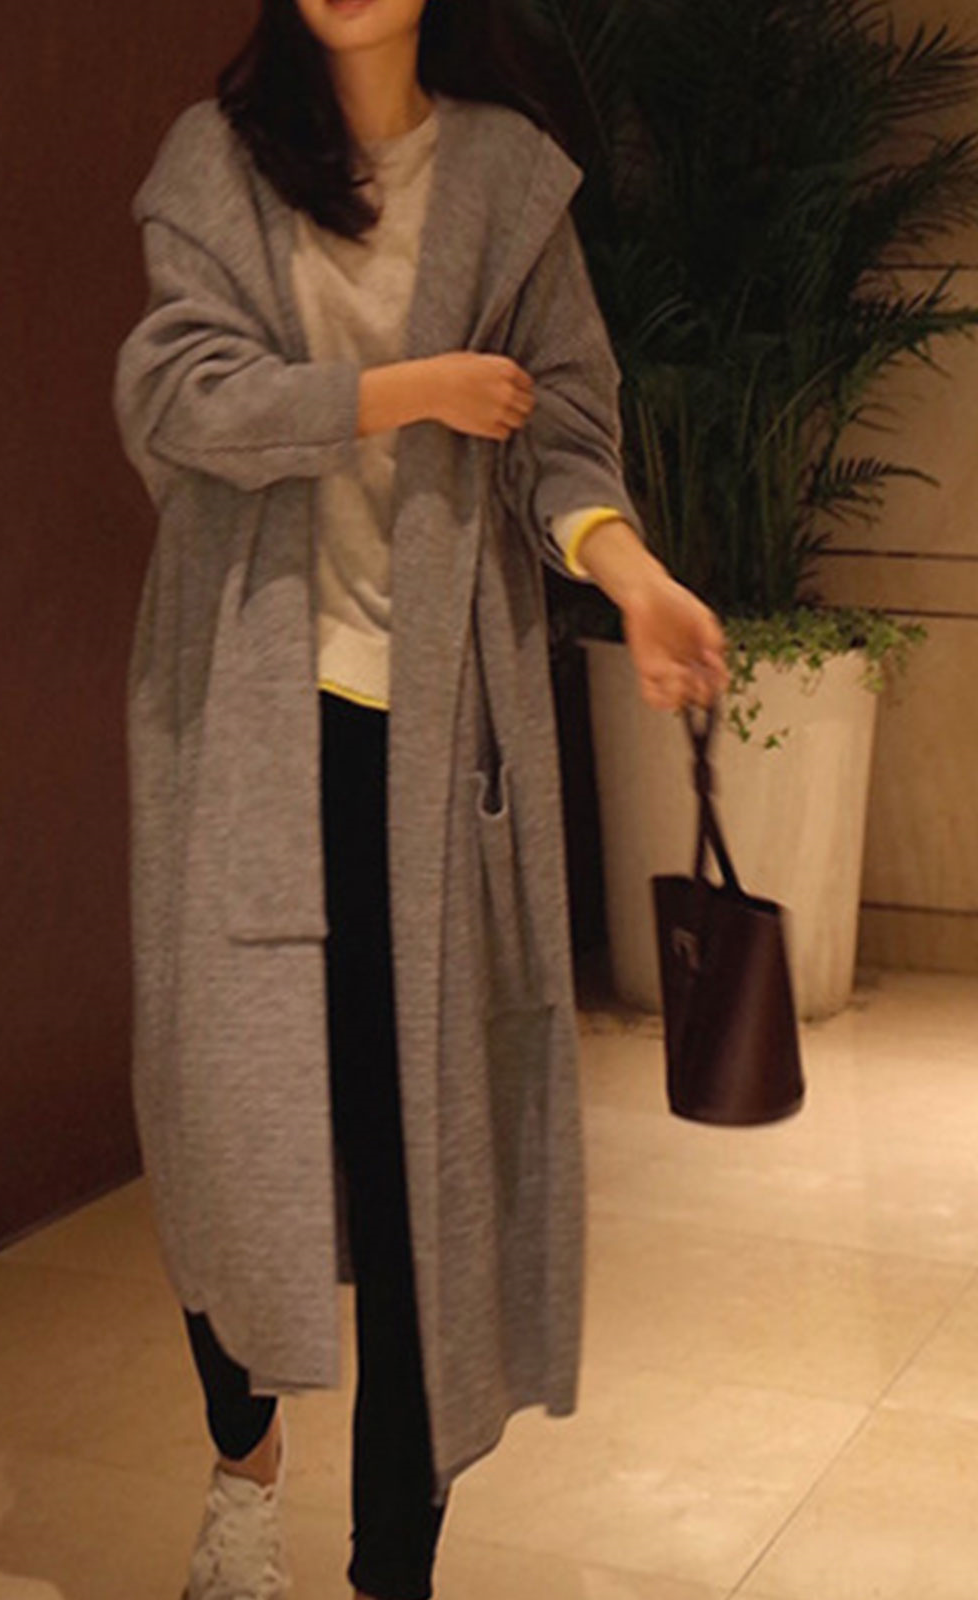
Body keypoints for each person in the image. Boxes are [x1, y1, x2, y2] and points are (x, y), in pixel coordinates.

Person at [112, 2, 730, 1596]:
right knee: (222, 1129)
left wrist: (634, 579)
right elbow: (177, 401)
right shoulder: (219, 162)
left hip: (440, 750)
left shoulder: (510, 179)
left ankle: (395, 1567)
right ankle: (244, 1470)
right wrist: (402, 392)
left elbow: (562, 441)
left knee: (418, 1179)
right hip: (244, 730)